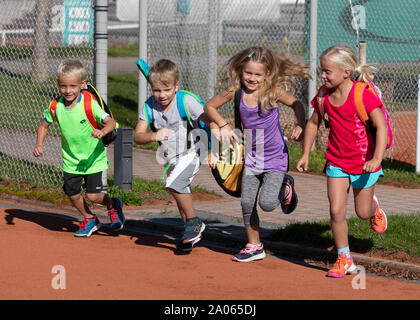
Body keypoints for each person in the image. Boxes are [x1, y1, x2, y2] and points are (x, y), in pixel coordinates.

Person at [204, 46, 309, 262]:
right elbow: (209, 107)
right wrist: (222, 125)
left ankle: (284, 185)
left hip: (275, 157)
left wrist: (301, 124)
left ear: (267, 75)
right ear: (241, 70)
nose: (252, 78)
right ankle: (254, 245)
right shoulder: (235, 92)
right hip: (252, 157)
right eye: (248, 73)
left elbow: (297, 104)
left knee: (268, 204)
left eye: (257, 74)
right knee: (246, 203)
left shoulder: (272, 92)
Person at [296, 44, 388, 278]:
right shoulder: (323, 96)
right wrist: (306, 153)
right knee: (336, 211)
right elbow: (314, 123)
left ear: (346, 72)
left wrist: (376, 158)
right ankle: (344, 258)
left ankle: (374, 207)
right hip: (336, 161)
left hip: (365, 163)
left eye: (328, 71)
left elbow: (381, 127)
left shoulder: (363, 94)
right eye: (321, 70)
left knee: (362, 212)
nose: (323, 75)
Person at [33, 59, 125, 237]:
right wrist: (39, 145)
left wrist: (102, 130)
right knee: (72, 193)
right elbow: (43, 126)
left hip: (93, 158)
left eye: (73, 86)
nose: (68, 91)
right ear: (58, 85)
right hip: (71, 160)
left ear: (82, 85)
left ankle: (113, 205)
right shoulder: (55, 106)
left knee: (94, 196)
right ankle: (89, 218)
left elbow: (111, 122)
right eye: (63, 86)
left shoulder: (89, 103)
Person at [134, 59, 218, 252]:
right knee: (181, 195)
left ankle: (194, 222)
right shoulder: (148, 106)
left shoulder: (186, 101)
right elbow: (138, 136)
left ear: (176, 86)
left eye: (167, 90)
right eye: (157, 90)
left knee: (173, 183)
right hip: (171, 157)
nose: (161, 95)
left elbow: (210, 123)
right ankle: (190, 235)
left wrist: (214, 151)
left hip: (194, 150)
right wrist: (153, 135)